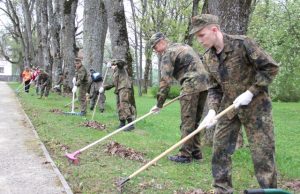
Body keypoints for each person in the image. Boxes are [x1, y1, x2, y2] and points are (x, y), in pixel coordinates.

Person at [190, 14, 279, 193]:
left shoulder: (243, 44)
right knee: (220, 149)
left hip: (256, 108)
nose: (199, 40)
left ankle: (269, 191)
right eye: (197, 37)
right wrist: (212, 111)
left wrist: (250, 91)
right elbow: (214, 88)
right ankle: (222, 189)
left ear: (214, 30)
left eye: (201, 35)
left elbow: (271, 67)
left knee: (263, 154)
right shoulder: (208, 58)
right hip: (229, 108)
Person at [149, 32, 209, 163]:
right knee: (195, 121)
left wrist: (159, 104)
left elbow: (165, 81)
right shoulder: (182, 46)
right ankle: (196, 152)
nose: (155, 51)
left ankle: (185, 155)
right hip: (205, 83)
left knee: (187, 121)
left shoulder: (168, 53)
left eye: (155, 47)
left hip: (191, 84)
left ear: (161, 42)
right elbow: (201, 59)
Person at [104, 59, 136, 131]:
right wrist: (103, 87)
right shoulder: (115, 73)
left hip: (124, 88)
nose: (111, 68)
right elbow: (113, 83)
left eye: (111, 66)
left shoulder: (120, 67)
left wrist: (112, 62)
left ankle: (131, 124)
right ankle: (122, 123)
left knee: (124, 104)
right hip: (119, 89)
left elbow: (122, 62)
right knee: (119, 105)